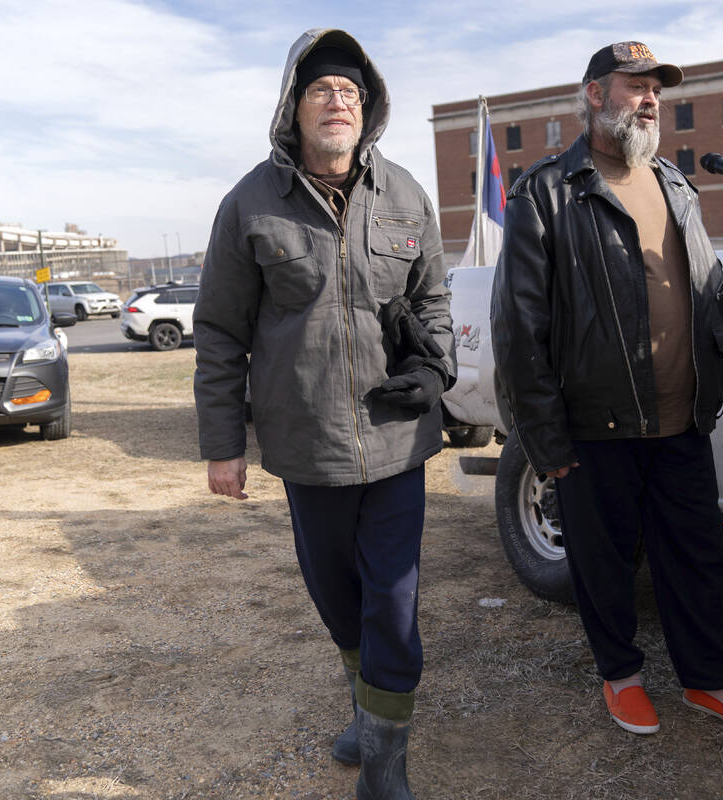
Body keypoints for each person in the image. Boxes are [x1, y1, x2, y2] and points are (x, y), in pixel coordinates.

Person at [491, 41, 723, 744]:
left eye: (656, 88)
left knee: (698, 561)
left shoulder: (676, 185)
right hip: (597, 427)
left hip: (681, 423)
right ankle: (619, 676)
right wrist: (545, 438)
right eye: (634, 86)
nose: (650, 98)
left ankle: (710, 684)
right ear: (594, 94)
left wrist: (717, 363)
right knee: (605, 563)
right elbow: (517, 328)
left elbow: (706, 293)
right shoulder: (548, 192)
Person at [193, 28, 453, 800]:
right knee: (340, 599)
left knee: (394, 605)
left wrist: (434, 367)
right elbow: (219, 331)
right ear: (293, 108)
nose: (338, 101)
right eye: (321, 91)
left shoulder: (406, 194)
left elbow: (434, 301)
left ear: (367, 109)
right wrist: (222, 445)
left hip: (398, 442)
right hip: (307, 447)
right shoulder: (248, 204)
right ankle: (365, 707)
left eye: (351, 91)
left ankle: (384, 768)